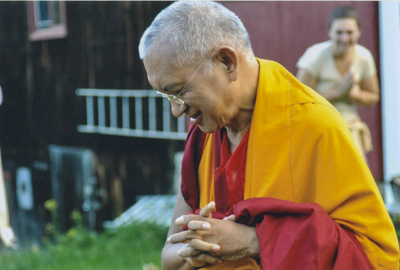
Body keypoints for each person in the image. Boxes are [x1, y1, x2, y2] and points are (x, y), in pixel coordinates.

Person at [138, 2, 399, 269]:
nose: (176, 111)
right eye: (166, 96)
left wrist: (254, 241)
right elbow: (170, 255)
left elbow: (374, 256)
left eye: (179, 91)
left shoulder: (314, 126)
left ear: (227, 62)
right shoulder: (207, 130)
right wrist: (200, 246)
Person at [296, 6, 380, 163]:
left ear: (359, 32)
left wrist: (355, 95)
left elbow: (373, 96)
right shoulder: (315, 56)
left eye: (350, 32)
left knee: (359, 174)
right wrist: (338, 92)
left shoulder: (364, 57)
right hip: (318, 124)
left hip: (350, 125)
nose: (344, 38)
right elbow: (298, 99)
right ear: (330, 32)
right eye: (339, 32)